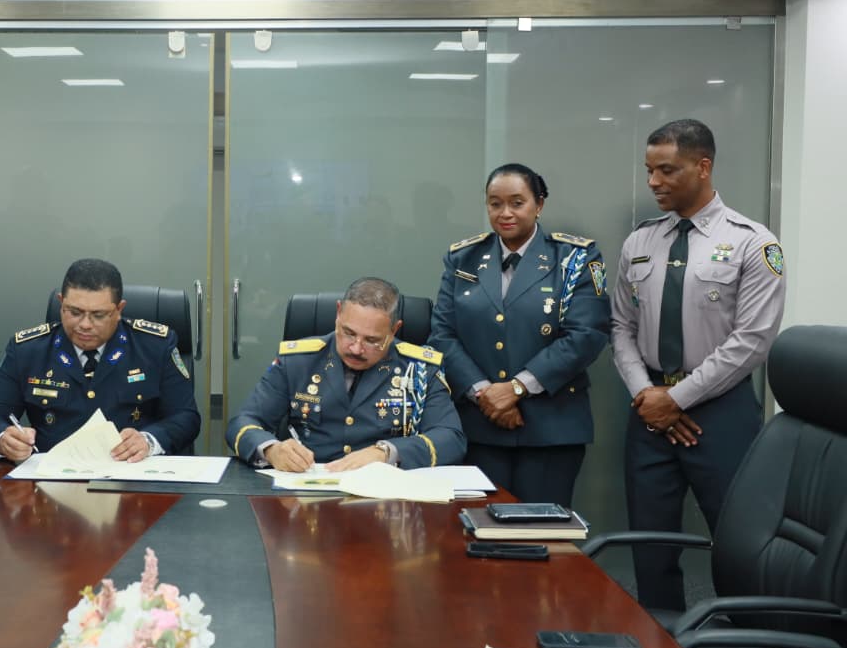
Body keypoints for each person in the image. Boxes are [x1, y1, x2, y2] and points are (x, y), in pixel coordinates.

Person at [612, 118, 786, 611]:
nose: (653, 182)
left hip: (721, 411)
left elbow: (751, 341)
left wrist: (678, 399)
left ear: (703, 167)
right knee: (650, 544)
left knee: (737, 543)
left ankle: (746, 643)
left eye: (667, 170)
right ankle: (659, 636)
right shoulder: (640, 241)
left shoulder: (753, 243)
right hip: (649, 410)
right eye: (649, 170)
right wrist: (648, 396)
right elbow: (621, 327)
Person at [429, 163, 611, 507]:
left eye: (517, 202)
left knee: (540, 531)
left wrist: (516, 388)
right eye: (495, 203)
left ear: (539, 204)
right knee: (478, 528)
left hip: (551, 428)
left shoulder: (574, 258)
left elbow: (587, 334)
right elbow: (442, 335)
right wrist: (485, 394)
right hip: (479, 426)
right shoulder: (463, 258)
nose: (505, 213)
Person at [0, 259, 200, 461]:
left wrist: (148, 441)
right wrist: (3, 439)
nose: (85, 325)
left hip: (132, 473)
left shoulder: (154, 346)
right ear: (61, 302)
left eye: (98, 315)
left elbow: (185, 417)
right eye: (74, 312)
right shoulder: (28, 350)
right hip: (50, 479)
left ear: (119, 309)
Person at [227, 277, 465, 471]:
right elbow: (243, 422)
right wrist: (271, 449)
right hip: (308, 490)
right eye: (349, 333)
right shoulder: (297, 361)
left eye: (372, 340)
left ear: (394, 330)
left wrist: (387, 452)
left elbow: (451, 438)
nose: (356, 348)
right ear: (338, 313)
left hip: (385, 496)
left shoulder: (419, 368)